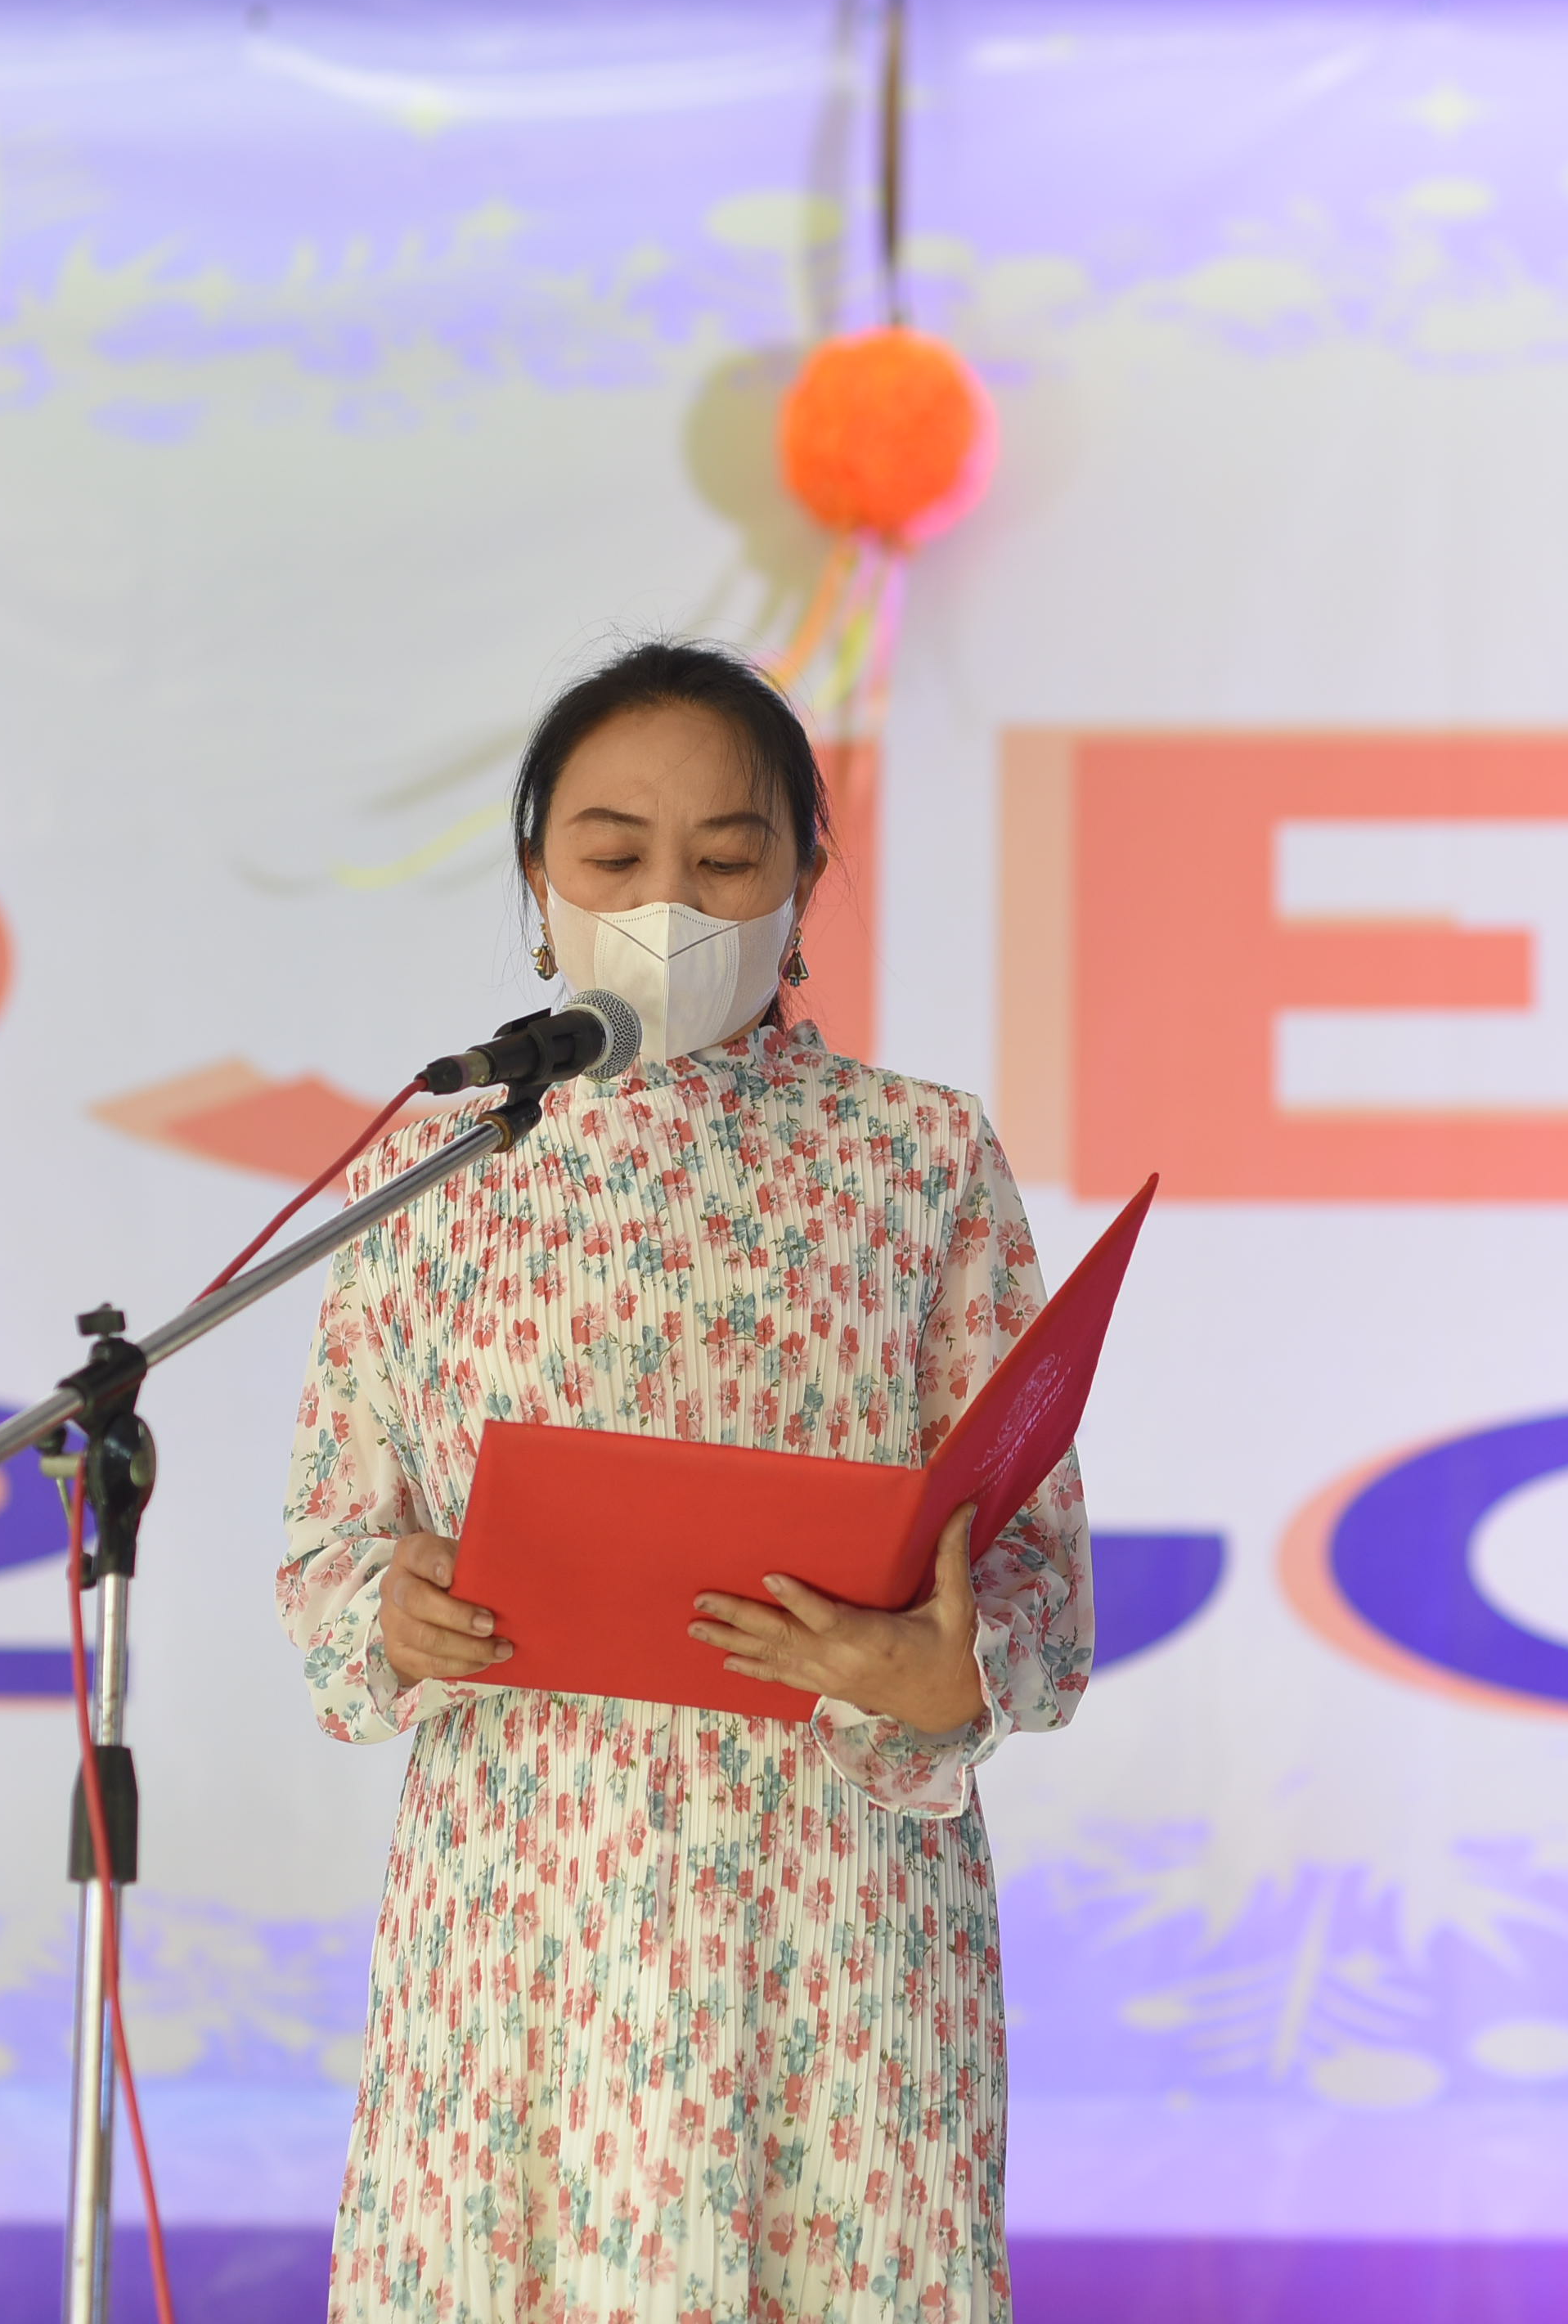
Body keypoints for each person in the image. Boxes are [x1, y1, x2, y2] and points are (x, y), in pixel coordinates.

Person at [277, 639, 1095, 2322]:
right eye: (613, 855)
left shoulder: (920, 1156)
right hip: (526, 1914)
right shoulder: (429, 1167)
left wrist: (945, 1670)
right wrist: (394, 1615)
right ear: (537, 883)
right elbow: (329, 1563)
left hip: (838, 1916)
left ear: (802, 881)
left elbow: (1038, 1578)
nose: (669, 903)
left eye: (726, 858)